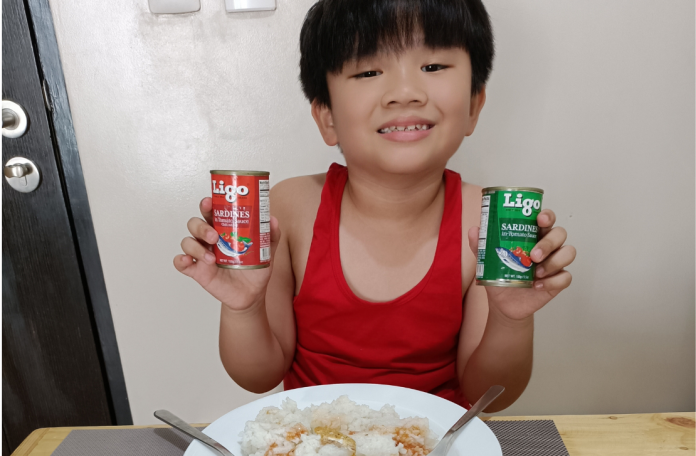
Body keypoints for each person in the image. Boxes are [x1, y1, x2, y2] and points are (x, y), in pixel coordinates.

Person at [174, 0, 576, 412]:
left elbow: (489, 397)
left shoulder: (488, 220)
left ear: (474, 105)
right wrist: (244, 307)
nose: (405, 93)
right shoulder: (290, 209)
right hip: (313, 440)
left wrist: (511, 320)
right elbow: (256, 376)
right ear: (327, 117)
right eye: (368, 71)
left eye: (433, 67)